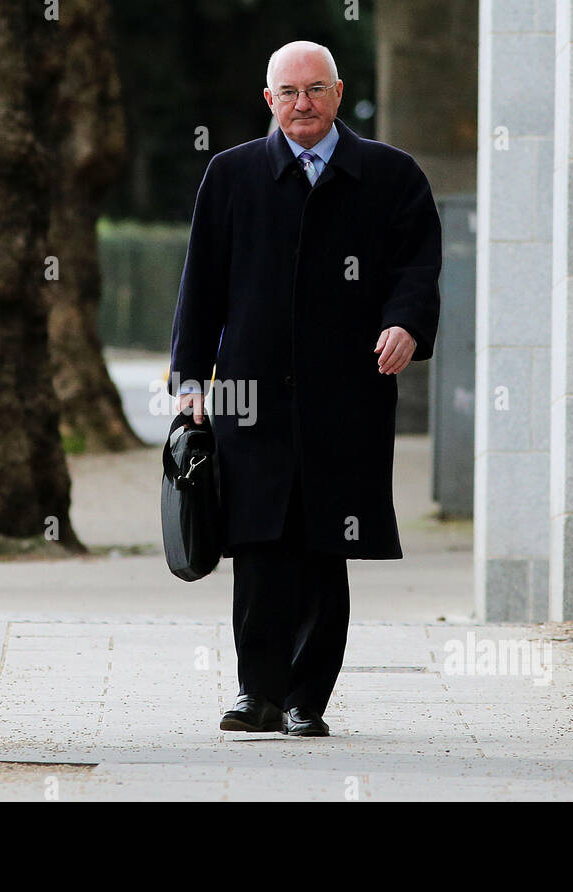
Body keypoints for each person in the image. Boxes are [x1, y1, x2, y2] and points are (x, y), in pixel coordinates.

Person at [169, 40, 442, 736]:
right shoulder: (230, 176)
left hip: (346, 391)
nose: (302, 103)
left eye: (315, 89)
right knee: (258, 540)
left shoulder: (390, 175)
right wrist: (190, 379)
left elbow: (417, 266)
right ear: (269, 101)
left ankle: (304, 699)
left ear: (339, 92)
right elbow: (200, 285)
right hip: (248, 394)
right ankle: (254, 691)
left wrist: (406, 324)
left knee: (327, 540)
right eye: (288, 92)